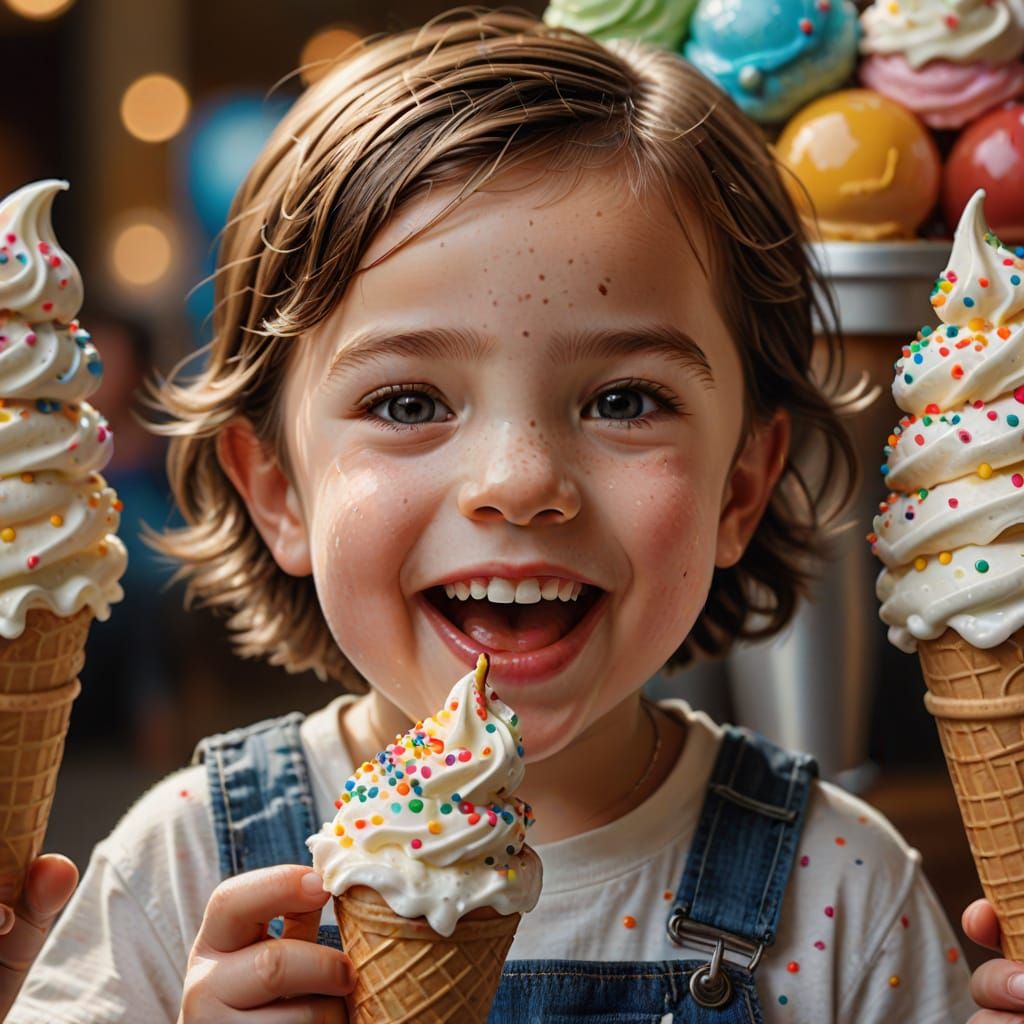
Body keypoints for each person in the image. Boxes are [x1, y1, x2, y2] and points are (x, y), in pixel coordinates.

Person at [0, 10, 1013, 1021]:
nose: (521, 481)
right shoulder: (180, 867)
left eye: (623, 400)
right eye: (408, 403)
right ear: (278, 491)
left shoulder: (837, 889)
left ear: (739, 488)